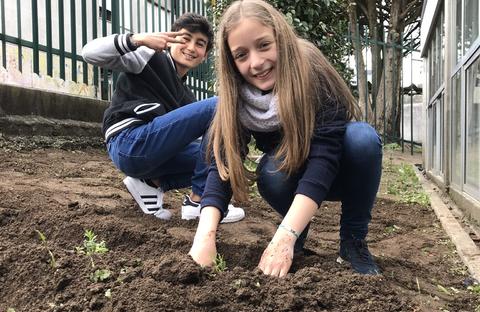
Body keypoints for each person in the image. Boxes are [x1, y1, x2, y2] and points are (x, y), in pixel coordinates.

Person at [188, 0, 382, 277]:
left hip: (340, 171)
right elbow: (222, 168)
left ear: (281, 38)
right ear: (231, 62)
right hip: (290, 175)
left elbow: (324, 158)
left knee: (362, 139)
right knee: (271, 172)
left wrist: (284, 235)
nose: (256, 63)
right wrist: (204, 238)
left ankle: (352, 241)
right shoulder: (236, 98)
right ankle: (297, 231)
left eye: (264, 45)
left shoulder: (311, 69)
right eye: (241, 55)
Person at [81, 13, 245, 223]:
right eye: (185, 38)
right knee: (221, 105)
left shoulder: (187, 97)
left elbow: (203, 150)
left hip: (149, 155)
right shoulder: (147, 57)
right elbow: (89, 53)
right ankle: (199, 203)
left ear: (205, 55)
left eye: (200, 44)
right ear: (169, 40)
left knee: (223, 155)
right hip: (128, 141)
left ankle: (151, 183)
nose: (191, 47)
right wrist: (137, 40)